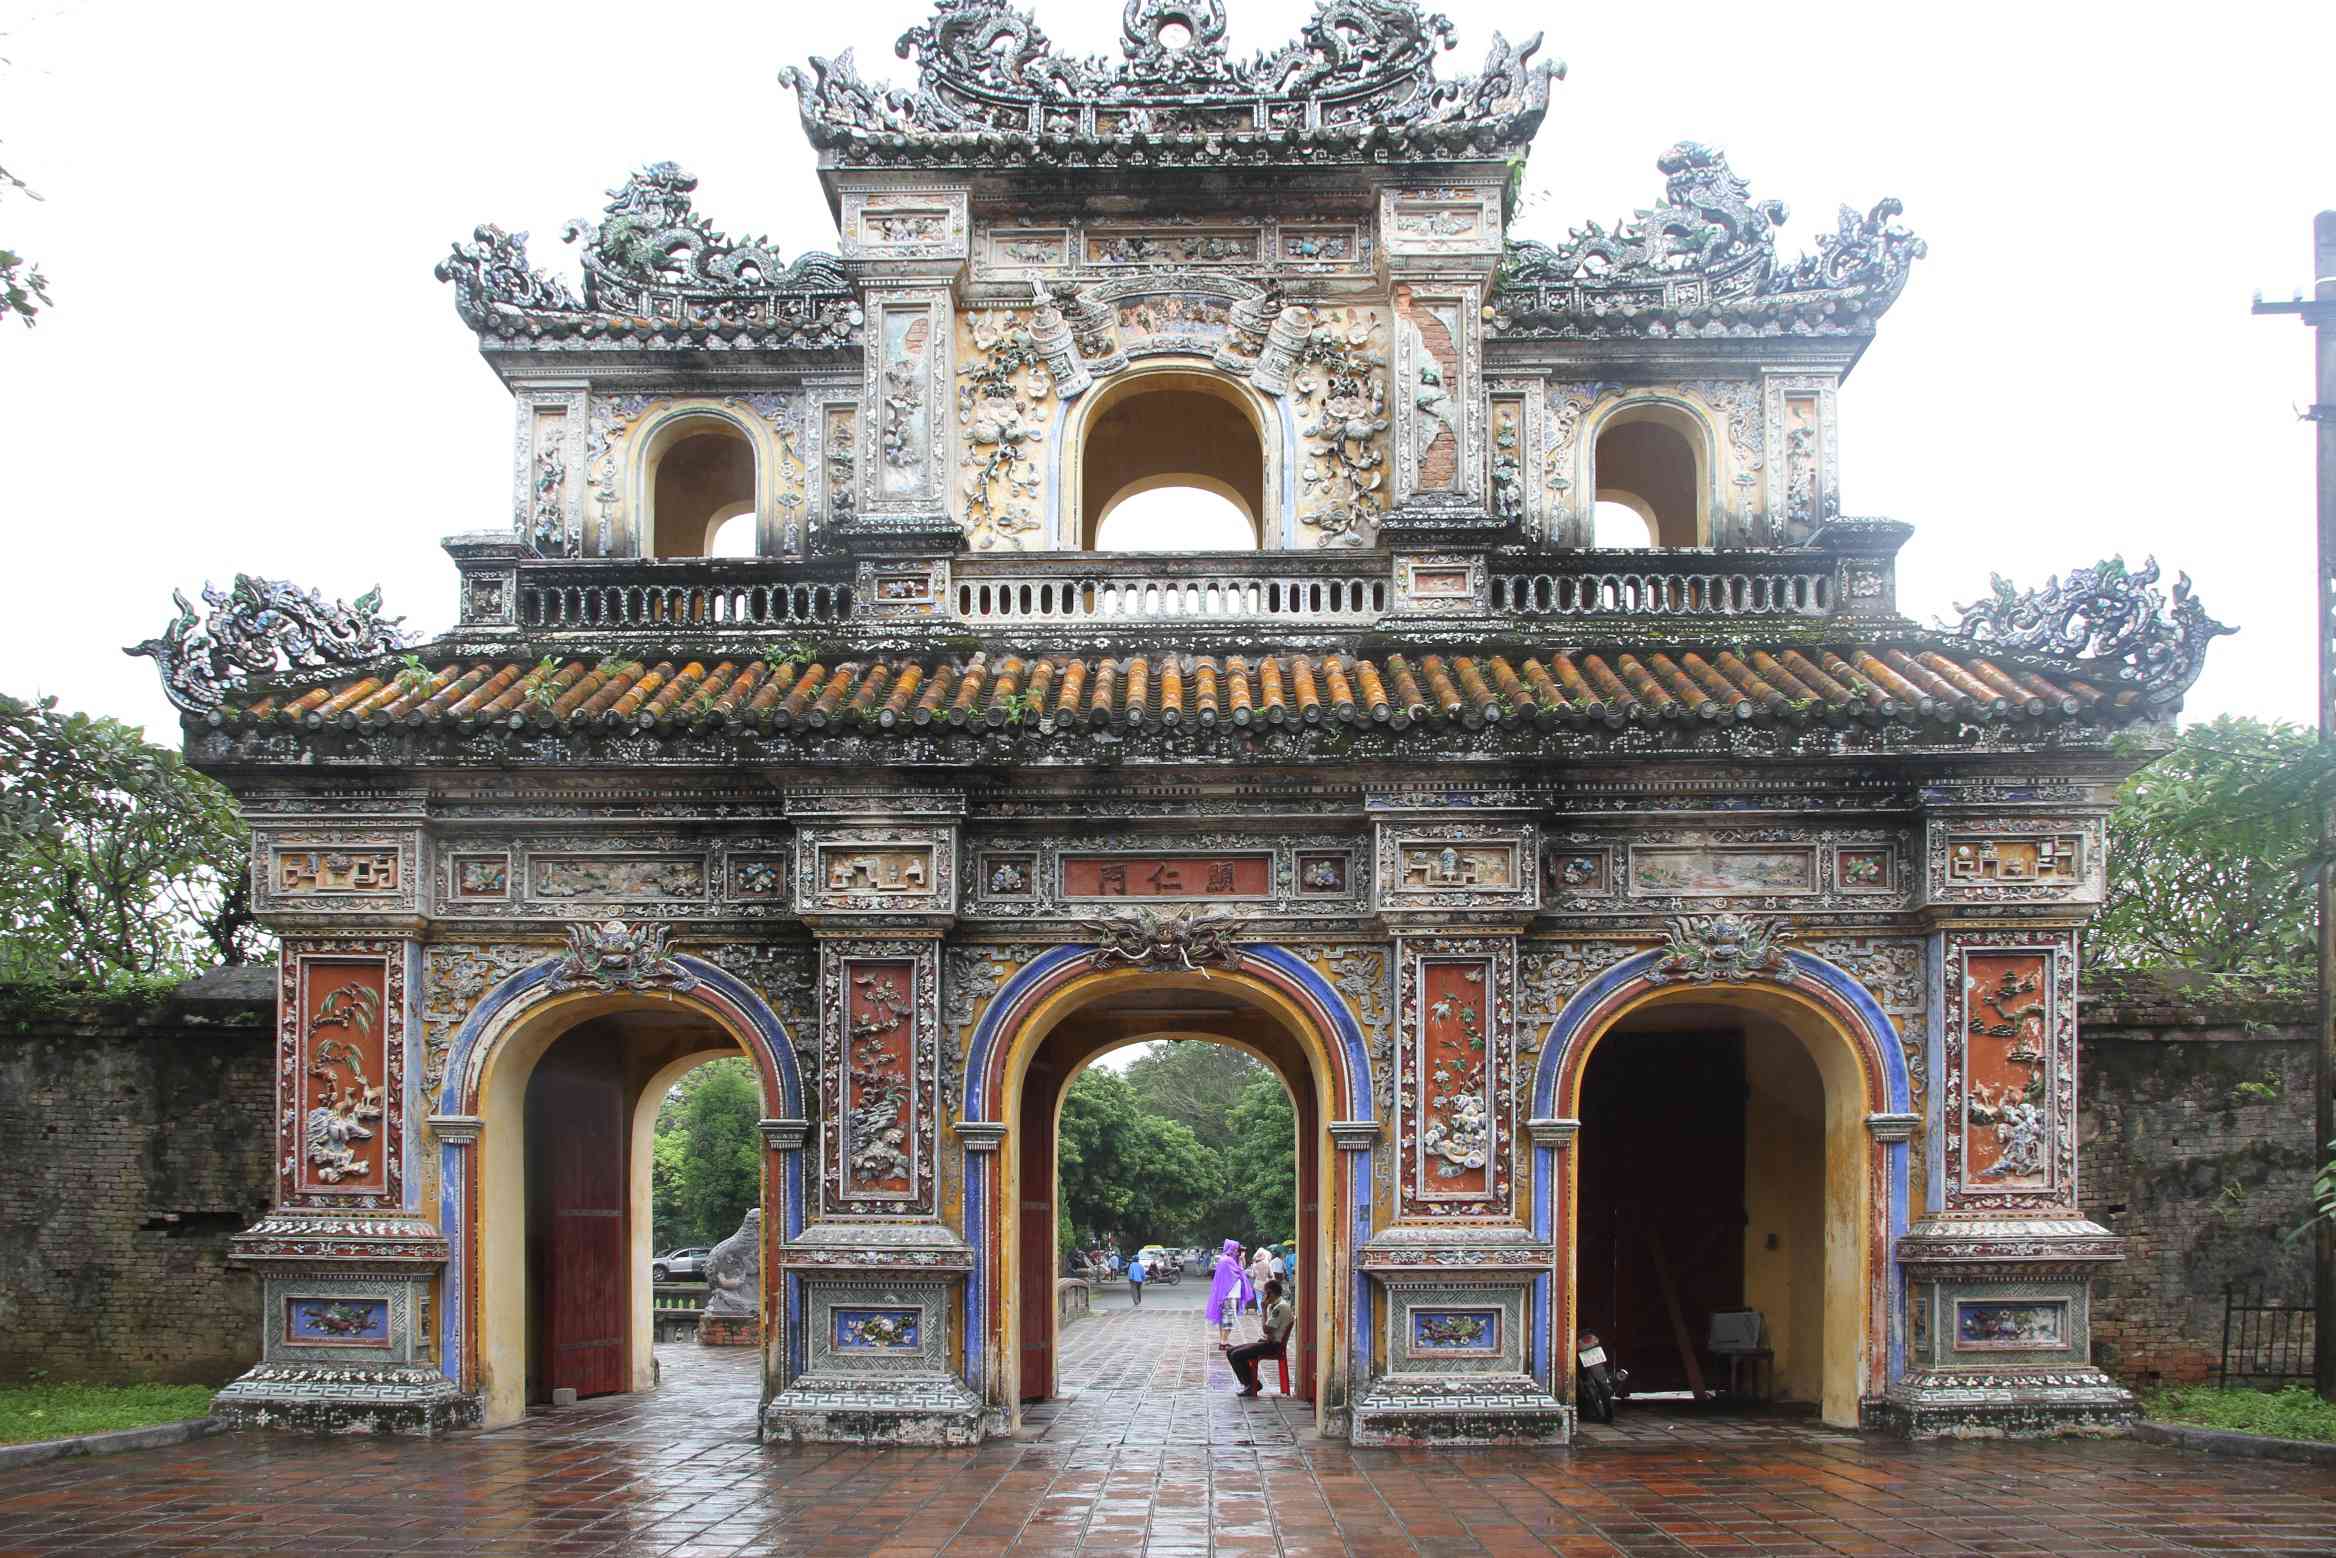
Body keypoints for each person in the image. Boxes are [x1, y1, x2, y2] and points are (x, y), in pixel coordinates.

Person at [1230, 1278, 1293, 1397]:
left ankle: (1251, 1385)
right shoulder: (1277, 1305)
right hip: (1267, 1342)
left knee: (1235, 1355)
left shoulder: (1279, 1308)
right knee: (1230, 1351)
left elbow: (1266, 1329)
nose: (1264, 1295)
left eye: (1265, 1293)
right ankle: (1250, 1383)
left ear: (1271, 1293)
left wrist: (1263, 1309)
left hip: (1273, 1345)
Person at [1206, 1238, 1251, 1342]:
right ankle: (1224, 1342)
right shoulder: (1228, 1260)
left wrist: (1240, 1259)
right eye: (1235, 1249)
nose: (1236, 1251)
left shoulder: (1224, 1259)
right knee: (1228, 1319)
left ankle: (1223, 1340)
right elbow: (1239, 1272)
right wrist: (1241, 1259)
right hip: (1230, 1295)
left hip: (1226, 1294)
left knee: (1224, 1319)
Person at [1246, 1242, 1274, 1311]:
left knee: (1258, 1298)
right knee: (1264, 1298)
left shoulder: (1255, 1266)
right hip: (1266, 1283)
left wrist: (1248, 1273)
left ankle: (1260, 1311)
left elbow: (1253, 1275)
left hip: (1257, 1284)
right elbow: (1271, 1275)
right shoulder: (1267, 1265)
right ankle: (1264, 1310)